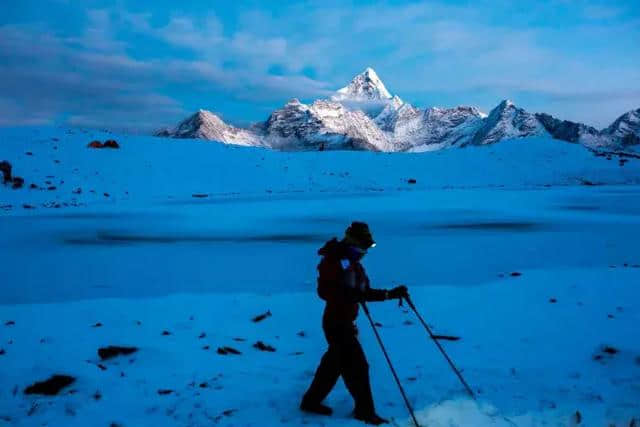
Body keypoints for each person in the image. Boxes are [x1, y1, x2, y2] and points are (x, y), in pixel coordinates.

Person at [300, 221, 408, 425]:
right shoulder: (333, 260)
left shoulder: (354, 264)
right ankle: (365, 412)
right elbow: (324, 291)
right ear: (353, 242)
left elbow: (363, 293)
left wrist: (390, 294)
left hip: (346, 322)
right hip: (335, 323)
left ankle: (310, 401)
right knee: (358, 366)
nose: (366, 251)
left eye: (368, 248)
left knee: (332, 365)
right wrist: (346, 294)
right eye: (364, 246)